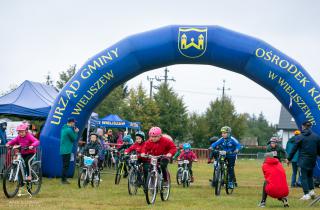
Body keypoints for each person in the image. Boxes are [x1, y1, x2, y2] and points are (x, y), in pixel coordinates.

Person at [288, 121, 320, 200]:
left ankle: (306, 194)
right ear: (310, 127)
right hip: (312, 160)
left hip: (303, 160)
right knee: (310, 175)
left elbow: (294, 149)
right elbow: (319, 149)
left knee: (303, 177)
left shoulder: (300, 137)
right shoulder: (316, 137)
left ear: (303, 126)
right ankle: (312, 191)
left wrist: (289, 159)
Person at [60, 117, 79, 184]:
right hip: (67, 150)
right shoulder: (69, 130)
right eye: (74, 122)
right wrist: (76, 132)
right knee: (66, 166)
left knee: (65, 165)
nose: (74, 124)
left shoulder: (64, 128)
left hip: (63, 149)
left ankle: (64, 179)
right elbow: (74, 138)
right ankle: (63, 180)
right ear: (71, 122)